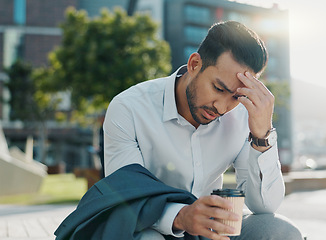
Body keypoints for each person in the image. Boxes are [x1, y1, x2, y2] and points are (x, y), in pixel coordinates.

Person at [103, 21, 303, 240]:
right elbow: (124, 198)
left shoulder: (244, 116)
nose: (222, 107)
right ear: (195, 63)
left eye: (235, 97)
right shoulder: (129, 108)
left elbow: (265, 207)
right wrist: (181, 217)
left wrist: (262, 135)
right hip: (149, 227)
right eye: (218, 88)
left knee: (282, 232)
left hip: (212, 231)